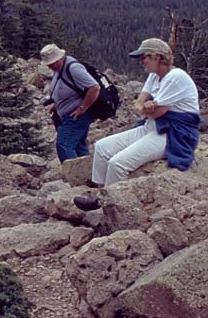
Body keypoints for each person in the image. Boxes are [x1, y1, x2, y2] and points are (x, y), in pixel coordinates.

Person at [75, 38, 201, 211]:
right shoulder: (154, 76)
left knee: (117, 163)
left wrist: (148, 108)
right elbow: (138, 104)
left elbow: (157, 112)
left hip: (174, 132)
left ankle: (112, 207)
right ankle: (101, 195)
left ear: (157, 57)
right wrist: (146, 107)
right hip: (154, 125)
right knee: (102, 147)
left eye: (144, 57)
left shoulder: (176, 78)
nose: (141, 62)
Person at [40, 43, 100, 163]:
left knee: (64, 144)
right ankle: (87, 176)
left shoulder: (73, 68)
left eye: (53, 63)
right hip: (70, 113)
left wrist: (83, 108)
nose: (51, 67)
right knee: (78, 145)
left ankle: (73, 177)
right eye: (49, 65)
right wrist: (56, 105)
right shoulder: (60, 68)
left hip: (77, 114)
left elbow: (94, 88)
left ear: (61, 57)